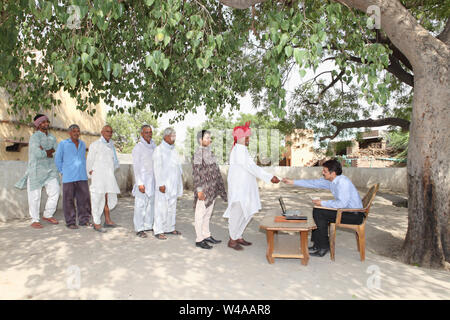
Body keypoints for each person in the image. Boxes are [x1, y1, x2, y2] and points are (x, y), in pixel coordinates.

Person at [282, 159, 364, 257]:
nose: (323, 173)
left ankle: (323, 246)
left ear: (332, 173)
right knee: (317, 209)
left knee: (320, 213)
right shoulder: (332, 180)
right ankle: (317, 244)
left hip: (354, 215)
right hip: (346, 211)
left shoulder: (342, 183)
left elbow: (342, 204)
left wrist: (323, 202)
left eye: (325, 171)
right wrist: (291, 182)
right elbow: (313, 183)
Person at [224, 121, 280, 251]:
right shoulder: (238, 150)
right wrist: (269, 177)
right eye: (247, 137)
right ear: (240, 137)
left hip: (247, 188)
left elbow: (251, 168)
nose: (249, 139)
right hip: (239, 189)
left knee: (248, 212)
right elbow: (252, 167)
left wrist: (268, 176)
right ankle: (232, 240)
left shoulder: (243, 150)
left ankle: (238, 236)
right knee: (237, 213)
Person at [15, 114, 60, 229]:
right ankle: (35, 219)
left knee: (55, 191)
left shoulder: (52, 137)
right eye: (43, 122)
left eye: (47, 121)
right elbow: (37, 154)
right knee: (35, 196)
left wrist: (46, 151)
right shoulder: (35, 137)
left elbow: (56, 151)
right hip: (36, 170)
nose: (46, 124)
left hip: (50, 170)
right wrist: (48, 152)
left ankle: (48, 214)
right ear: (38, 125)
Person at [192, 130, 227, 249]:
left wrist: (219, 188)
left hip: (212, 189)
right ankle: (199, 239)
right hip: (204, 190)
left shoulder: (210, 153)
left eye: (209, 138)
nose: (209, 140)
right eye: (206, 138)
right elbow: (196, 174)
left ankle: (206, 235)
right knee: (200, 214)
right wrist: (199, 190)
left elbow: (216, 172)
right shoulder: (198, 154)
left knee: (207, 215)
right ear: (200, 140)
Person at [54, 124, 92, 229]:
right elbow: (57, 159)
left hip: (82, 176)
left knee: (84, 199)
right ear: (69, 133)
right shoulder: (63, 144)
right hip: (69, 177)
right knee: (68, 200)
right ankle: (70, 222)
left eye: (78, 131)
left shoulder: (82, 144)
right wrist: (63, 171)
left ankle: (84, 220)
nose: (76, 133)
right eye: (74, 131)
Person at [86, 125, 121, 233]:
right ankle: (96, 223)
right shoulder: (95, 145)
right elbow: (89, 162)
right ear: (102, 132)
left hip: (108, 177)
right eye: (107, 131)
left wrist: (110, 171)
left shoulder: (111, 146)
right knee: (97, 199)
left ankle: (108, 220)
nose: (109, 133)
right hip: (98, 177)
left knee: (108, 198)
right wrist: (91, 174)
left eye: (111, 132)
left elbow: (115, 162)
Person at [152, 127, 183, 240]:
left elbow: (178, 168)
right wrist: (160, 184)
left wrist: (179, 183)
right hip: (163, 185)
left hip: (173, 184)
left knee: (171, 207)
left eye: (175, 136)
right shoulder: (159, 150)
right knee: (161, 208)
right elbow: (157, 168)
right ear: (166, 136)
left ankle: (170, 227)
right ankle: (158, 230)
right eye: (172, 136)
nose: (174, 138)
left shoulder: (174, 150)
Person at [132, 125, 157, 238]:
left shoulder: (153, 146)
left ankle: (147, 225)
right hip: (142, 181)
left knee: (150, 205)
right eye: (146, 132)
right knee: (140, 205)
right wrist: (140, 183)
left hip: (152, 180)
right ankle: (139, 228)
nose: (149, 134)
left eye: (150, 132)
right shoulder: (138, 147)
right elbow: (136, 167)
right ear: (142, 134)